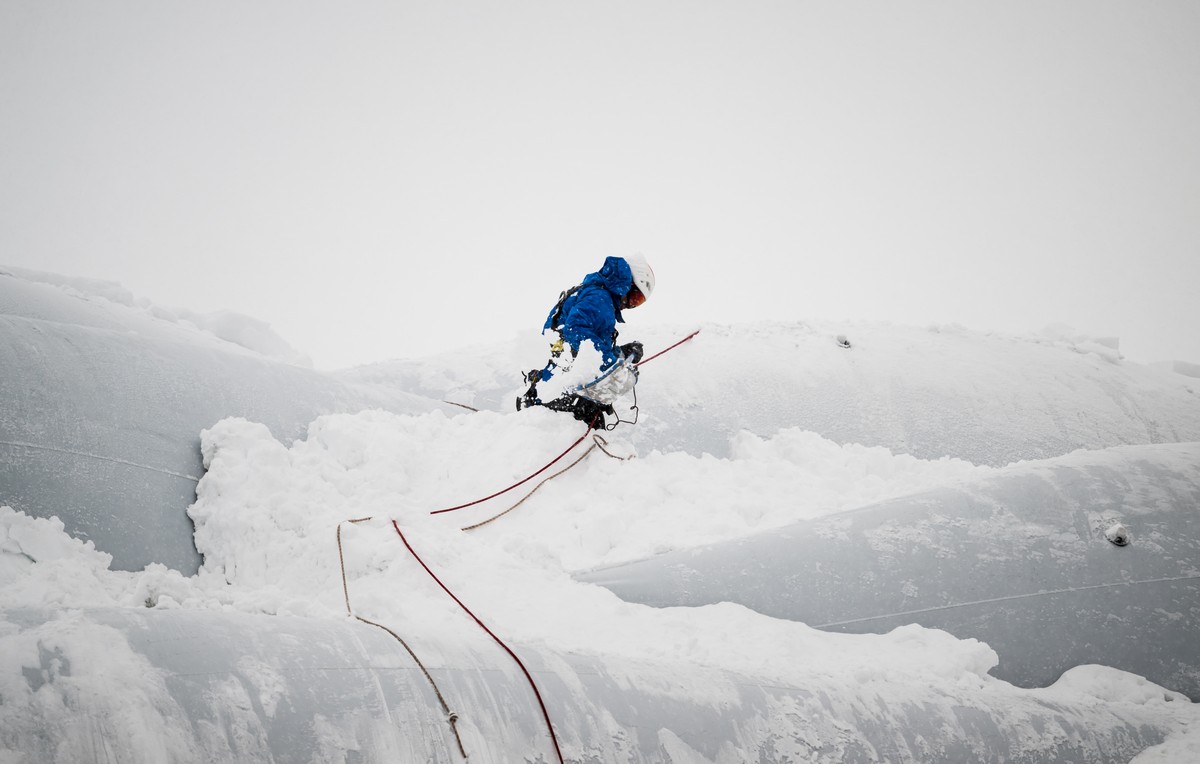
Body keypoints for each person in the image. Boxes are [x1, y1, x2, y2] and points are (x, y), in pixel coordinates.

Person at [517, 254, 655, 428]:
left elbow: (589, 347)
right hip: (558, 393)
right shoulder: (600, 298)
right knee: (583, 433)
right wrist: (613, 366)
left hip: (555, 388)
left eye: (638, 303)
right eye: (635, 298)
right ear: (627, 285)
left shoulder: (596, 296)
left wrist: (620, 353)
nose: (630, 306)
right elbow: (576, 332)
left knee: (591, 430)